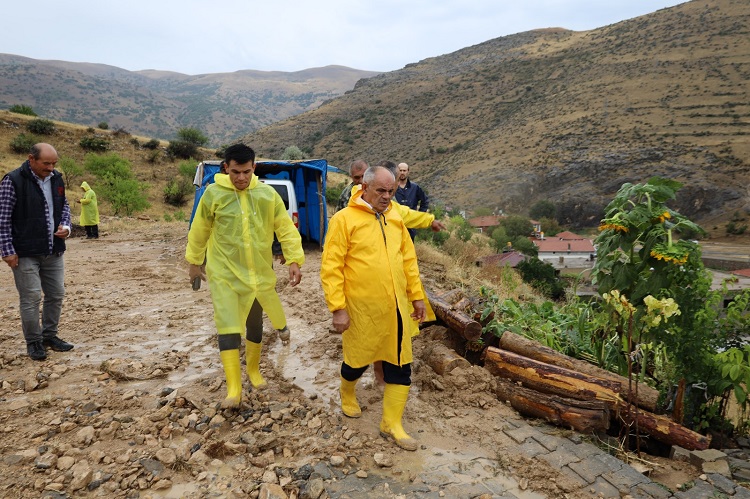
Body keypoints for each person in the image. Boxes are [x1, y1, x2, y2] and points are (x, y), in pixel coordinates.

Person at [186, 143, 304, 409]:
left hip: (258, 275)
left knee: (254, 324)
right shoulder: (213, 195)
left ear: (255, 168)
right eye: (236, 172)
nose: (241, 178)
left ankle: (253, 370)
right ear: (225, 168)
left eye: (247, 172)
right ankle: (233, 387)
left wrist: (294, 258)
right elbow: (200, 229)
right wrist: (194, 262)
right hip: (225, 273)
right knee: (227, 326)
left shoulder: (267, 195)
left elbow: (284, 227)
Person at [321, 165, 426, 451]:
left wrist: (416, 296)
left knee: (401, 365)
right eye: (381, 190)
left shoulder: (395, 218)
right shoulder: (344, 220)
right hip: (361, 309)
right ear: (364, 187)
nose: (387, 197)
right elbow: (331, 267)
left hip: (396, 308)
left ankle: (391, 423)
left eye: (391, 191)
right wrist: (337, 308)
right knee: (357, 360)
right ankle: (347, 392)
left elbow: (408, 260)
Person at [0, 143, 74, 361]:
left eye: (54, 163)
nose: (51, 168)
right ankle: (34, 342)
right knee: (31, 297)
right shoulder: (12, 181)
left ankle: (49, 336)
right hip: (24, 252)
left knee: (56, 294)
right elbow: (2, 220)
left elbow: (65, 207)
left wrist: (66, 227)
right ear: (30, 158)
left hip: (53, 250)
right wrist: (7, 250)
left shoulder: (56, 179)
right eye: (46, 163)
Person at [395, 162, 429, 240]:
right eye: (400, 170)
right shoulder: (392, 186)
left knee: (409, 250)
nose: (402, 173)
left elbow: (425, 201)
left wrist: (419, 216)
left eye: (404, 170)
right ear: (397, 171)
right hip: (396, 225)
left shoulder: (415, 187)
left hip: (410, 227)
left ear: (408, 172)